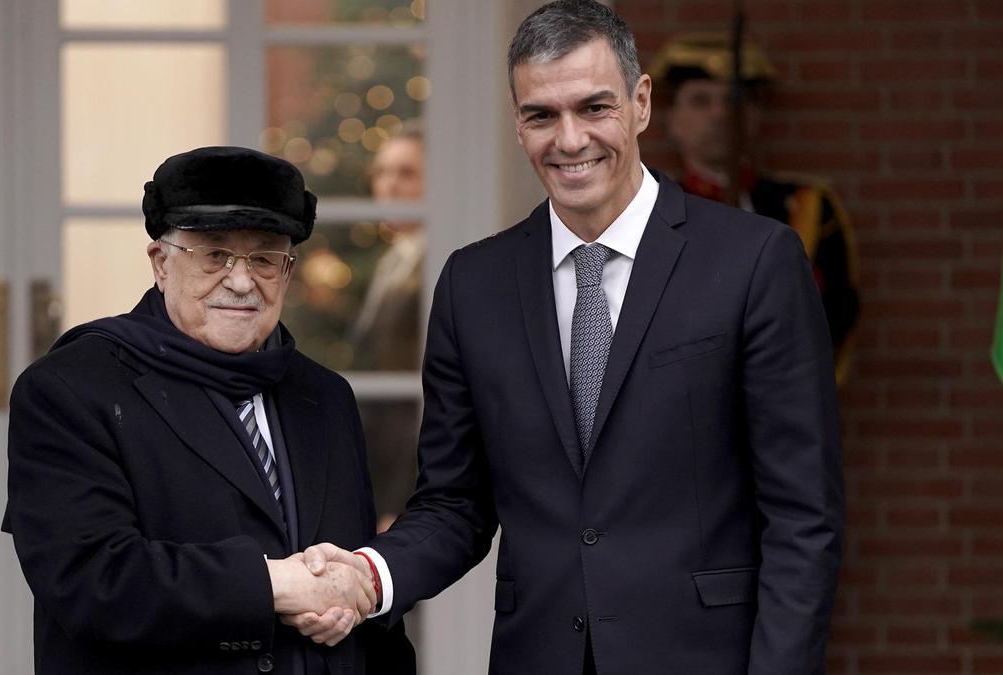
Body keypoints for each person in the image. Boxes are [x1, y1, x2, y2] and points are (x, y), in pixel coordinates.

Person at [300, 2, 845, 673]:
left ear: (640, 102)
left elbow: (802, 516)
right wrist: (367, 575)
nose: (569, 139)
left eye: (594, 108)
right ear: (518, 122)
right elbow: (454, 503)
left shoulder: (754, 261)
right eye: (541, 115)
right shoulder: (473, 285)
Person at [2, 146, 414, 674]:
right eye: (214, 255)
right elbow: (91, 582)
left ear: (287, 272)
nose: (241, 282)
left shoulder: (325, 396)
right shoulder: (70, 389)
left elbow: (359, 596)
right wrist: (275, 585)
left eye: (264, 258)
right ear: (161, 263)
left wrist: (349, 607)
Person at [649, 33, 860, 383]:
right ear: (671, 120)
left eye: (734, 100)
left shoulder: (807, 208)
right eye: (701, 101)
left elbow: (837, 312)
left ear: (755, 116)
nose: (719, 114)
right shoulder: (647, 209)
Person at [349, 125, 425, 531]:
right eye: (381, 172)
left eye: (406, 173)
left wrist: (401, 499)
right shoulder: (393, 259)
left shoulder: (439, 264)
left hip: (406, 491)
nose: (389, 185)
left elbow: (419, 406)